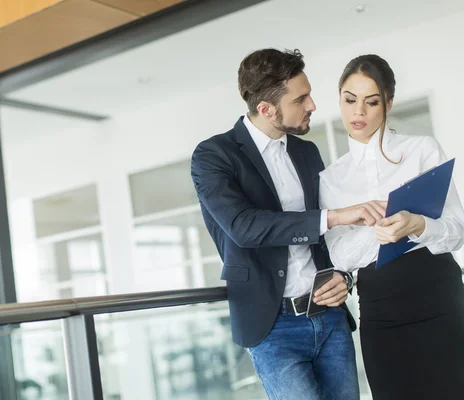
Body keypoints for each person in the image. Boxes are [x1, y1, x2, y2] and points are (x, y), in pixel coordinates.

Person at [191, 48, 385, 400]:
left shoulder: (305, 152)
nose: (312, 105)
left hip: (328, 315)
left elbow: (326, 241)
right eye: (301, 98)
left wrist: (342, 275)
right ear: (266, 109)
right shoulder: (214, 156)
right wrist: (336, 215)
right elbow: (245, 227)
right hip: (272, 326)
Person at [319, 54, 464, 399]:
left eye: (372, 102)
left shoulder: (422, 150)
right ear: (339, 98)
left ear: (389, 103)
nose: (359, 112)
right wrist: (376, 232)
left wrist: (417, 225)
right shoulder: (330, 179)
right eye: (350, 100)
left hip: (441, 300)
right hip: (381, 312)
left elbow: (457, 231)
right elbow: (339, 255)